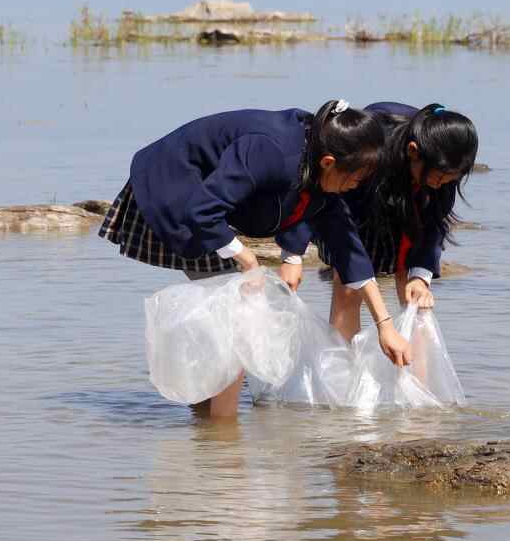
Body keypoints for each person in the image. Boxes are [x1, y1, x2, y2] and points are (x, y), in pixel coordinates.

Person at [99, 100, 412, 416]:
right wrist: (247, 260)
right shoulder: (271, 151)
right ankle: (223, 432)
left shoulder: (321, 173)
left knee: (229, 321)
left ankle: (206, 419)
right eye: (357, 178)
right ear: (329, 163)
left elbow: (350, 250)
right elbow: (203, 212)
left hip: (211, 207)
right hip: (175, 188)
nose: (357, 187)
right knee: (238, 320)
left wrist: (385, 326)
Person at [319, 102, 479, 341]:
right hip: (357, 201)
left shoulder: (446, 162)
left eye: (451, 179)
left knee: (415, 296)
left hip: (404, 196)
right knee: (348, 287)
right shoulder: (369, 155)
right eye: (439, 177)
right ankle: (344, 362)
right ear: (413, 151)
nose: (442, 184)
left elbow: (433, 226)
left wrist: (420, 277)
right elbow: (344, 227)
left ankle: (413, 365)